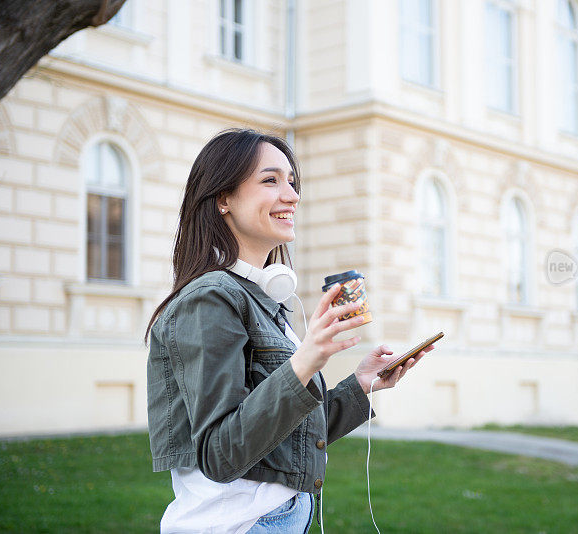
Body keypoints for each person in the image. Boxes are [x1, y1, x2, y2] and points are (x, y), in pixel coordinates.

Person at [145, 129, 431, 533]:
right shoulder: (209, 300)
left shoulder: (260, 298)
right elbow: (220, 454)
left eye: (292, 182)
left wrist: (360, 385)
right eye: (270, 180)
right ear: (223, 199)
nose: (292, 195)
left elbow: (284, 437)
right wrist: (305, 360)